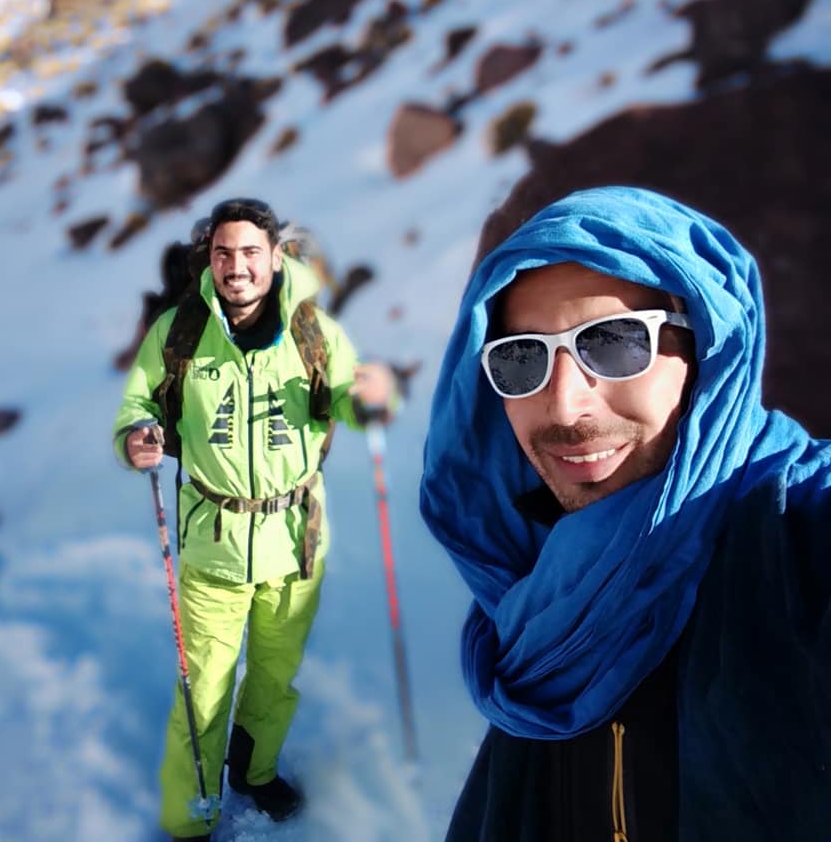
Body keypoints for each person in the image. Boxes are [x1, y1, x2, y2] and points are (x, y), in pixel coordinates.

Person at [420, 186, 830, 841]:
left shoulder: (793, 533)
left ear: (708, 348)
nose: (565, 405)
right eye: (521, 357)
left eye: (611, 342)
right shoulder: (529, 577)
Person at [113, 198, 397, 841]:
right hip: (213, 543)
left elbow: (353, 403)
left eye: (249, 253)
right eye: (223, 254)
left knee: (274, 677)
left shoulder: (315, 331)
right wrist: (136, 436)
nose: (236, 267)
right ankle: (190, 816)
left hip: (297, 540)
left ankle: (254, 771)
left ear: (274, 256)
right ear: (208, 260)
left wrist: (374, 398)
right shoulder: (178, 333)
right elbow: (138, 404)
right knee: (203, 691)